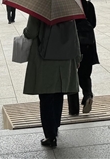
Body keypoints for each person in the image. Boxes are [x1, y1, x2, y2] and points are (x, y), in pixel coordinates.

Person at [22, 16, 81, 148]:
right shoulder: (66, 11)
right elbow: (74, 35)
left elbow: (31, 32)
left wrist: (25, 31)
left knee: (46, 96)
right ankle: (55, 126)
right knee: (58, 93)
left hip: (45, 59)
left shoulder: (39, 10)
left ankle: (50, 135)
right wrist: (77, 57)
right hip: (64, 58)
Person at [67, 0, 99, 116]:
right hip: (88, 45)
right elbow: (93, 24)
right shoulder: (88, 5)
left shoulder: (67, 7)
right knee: (85, 74)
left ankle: (73, 109)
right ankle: (88, 95)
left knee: (72, 76)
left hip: (71, 45)